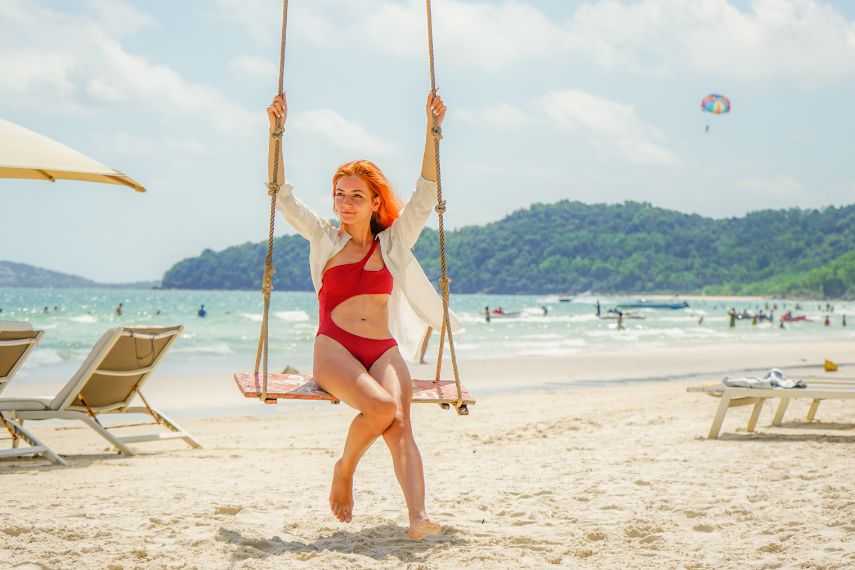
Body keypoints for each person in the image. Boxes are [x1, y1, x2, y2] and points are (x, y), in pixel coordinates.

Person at [267, 90, 456, 540]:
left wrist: (433, 131)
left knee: (399, 421)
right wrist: (276, 134)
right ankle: (345, 469)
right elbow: (281, 195)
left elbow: (426, 195)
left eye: (356, 195)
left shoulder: (391, 243)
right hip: (333, 347)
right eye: (339, 195)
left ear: (375, 202)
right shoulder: (323, 239)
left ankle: (417, 519)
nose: (345, 203)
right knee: (382, 407)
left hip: (381, 349)